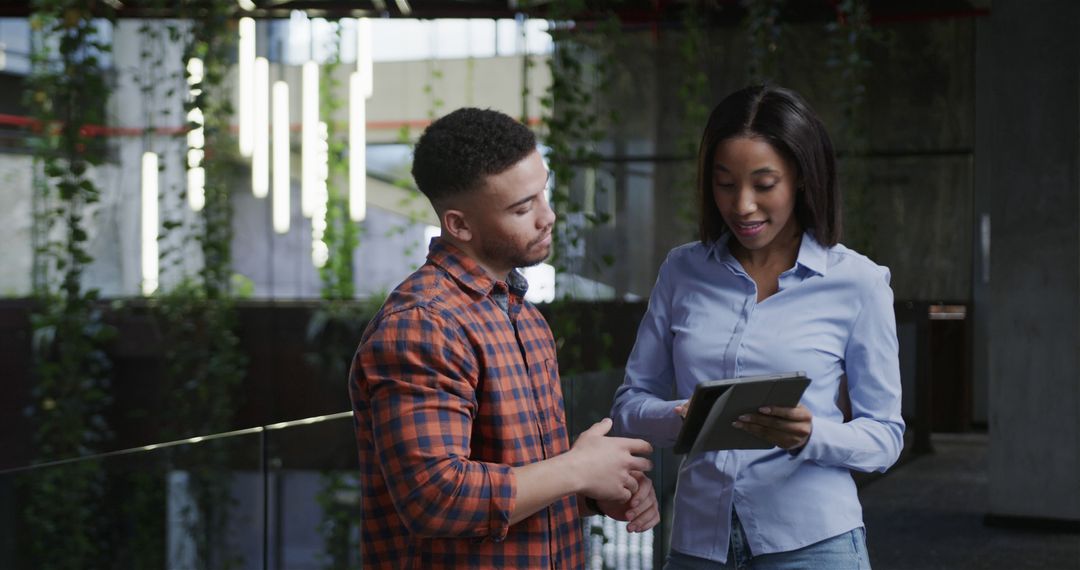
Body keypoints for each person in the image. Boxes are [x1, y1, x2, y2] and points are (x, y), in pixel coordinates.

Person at [348, 107, 660, 569]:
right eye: (522, 208)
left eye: (543, 194)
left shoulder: (524, 317)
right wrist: (577, 469)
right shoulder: (423, 325)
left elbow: (522, 486)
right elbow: (435, 499)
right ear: (459, 226)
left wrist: (594, 490)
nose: (547, 217)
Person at [611, 85, 905, 569]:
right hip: (698, 544)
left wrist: (813, 435)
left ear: (803, 180)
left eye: (764, 184)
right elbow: (628, 407)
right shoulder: (682, 271)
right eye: (725, 184)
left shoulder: (858, 282)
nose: (742, 204)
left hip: (814, 544)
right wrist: (681, 418)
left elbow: (884, 437)